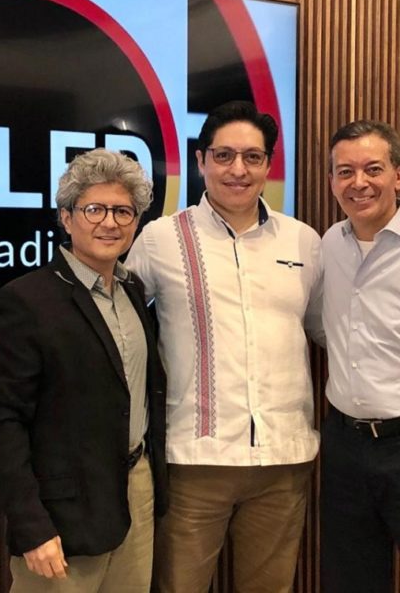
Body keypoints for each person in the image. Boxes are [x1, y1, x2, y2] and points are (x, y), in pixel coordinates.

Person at [126, 100, 323, 592]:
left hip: (284, 460)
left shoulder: (302, 241)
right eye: (224, 156)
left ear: (268, 165)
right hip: (196, 461)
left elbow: (323, 330)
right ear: (200, 161)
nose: (239, 170)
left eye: (253, 158)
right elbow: (118, 324)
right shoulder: (160, 239)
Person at [0, 148, 167, 593]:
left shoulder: (133, 290)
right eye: (94, 209)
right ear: (66, 218)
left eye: (123, 211)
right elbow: (3, 422)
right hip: (63, 517)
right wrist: (32, 527)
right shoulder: (25, 301)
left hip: (136, 495)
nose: (110, 222)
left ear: (136, 223)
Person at [321, 120, 400, 593]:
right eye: (344, 171)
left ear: (397, 175)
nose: (358, 183)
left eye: (372, 168)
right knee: (351, 579)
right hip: (344, 443)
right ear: (331, 180)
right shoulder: (328, 245)